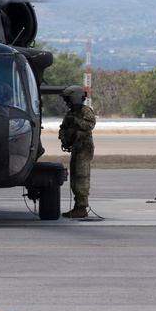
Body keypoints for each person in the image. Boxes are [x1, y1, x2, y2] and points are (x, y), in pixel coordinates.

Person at [58, 84, 96, 219]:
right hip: (76, 148)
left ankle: (82, 207)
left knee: (81, 177)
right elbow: (63, 128)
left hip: (84, 148)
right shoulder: (70, 113)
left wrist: (75, 121)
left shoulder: (85, 111)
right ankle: (78, 206)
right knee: (74, 178)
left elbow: (89, 125)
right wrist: (64, 137)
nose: (66, 102)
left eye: (68, 98)